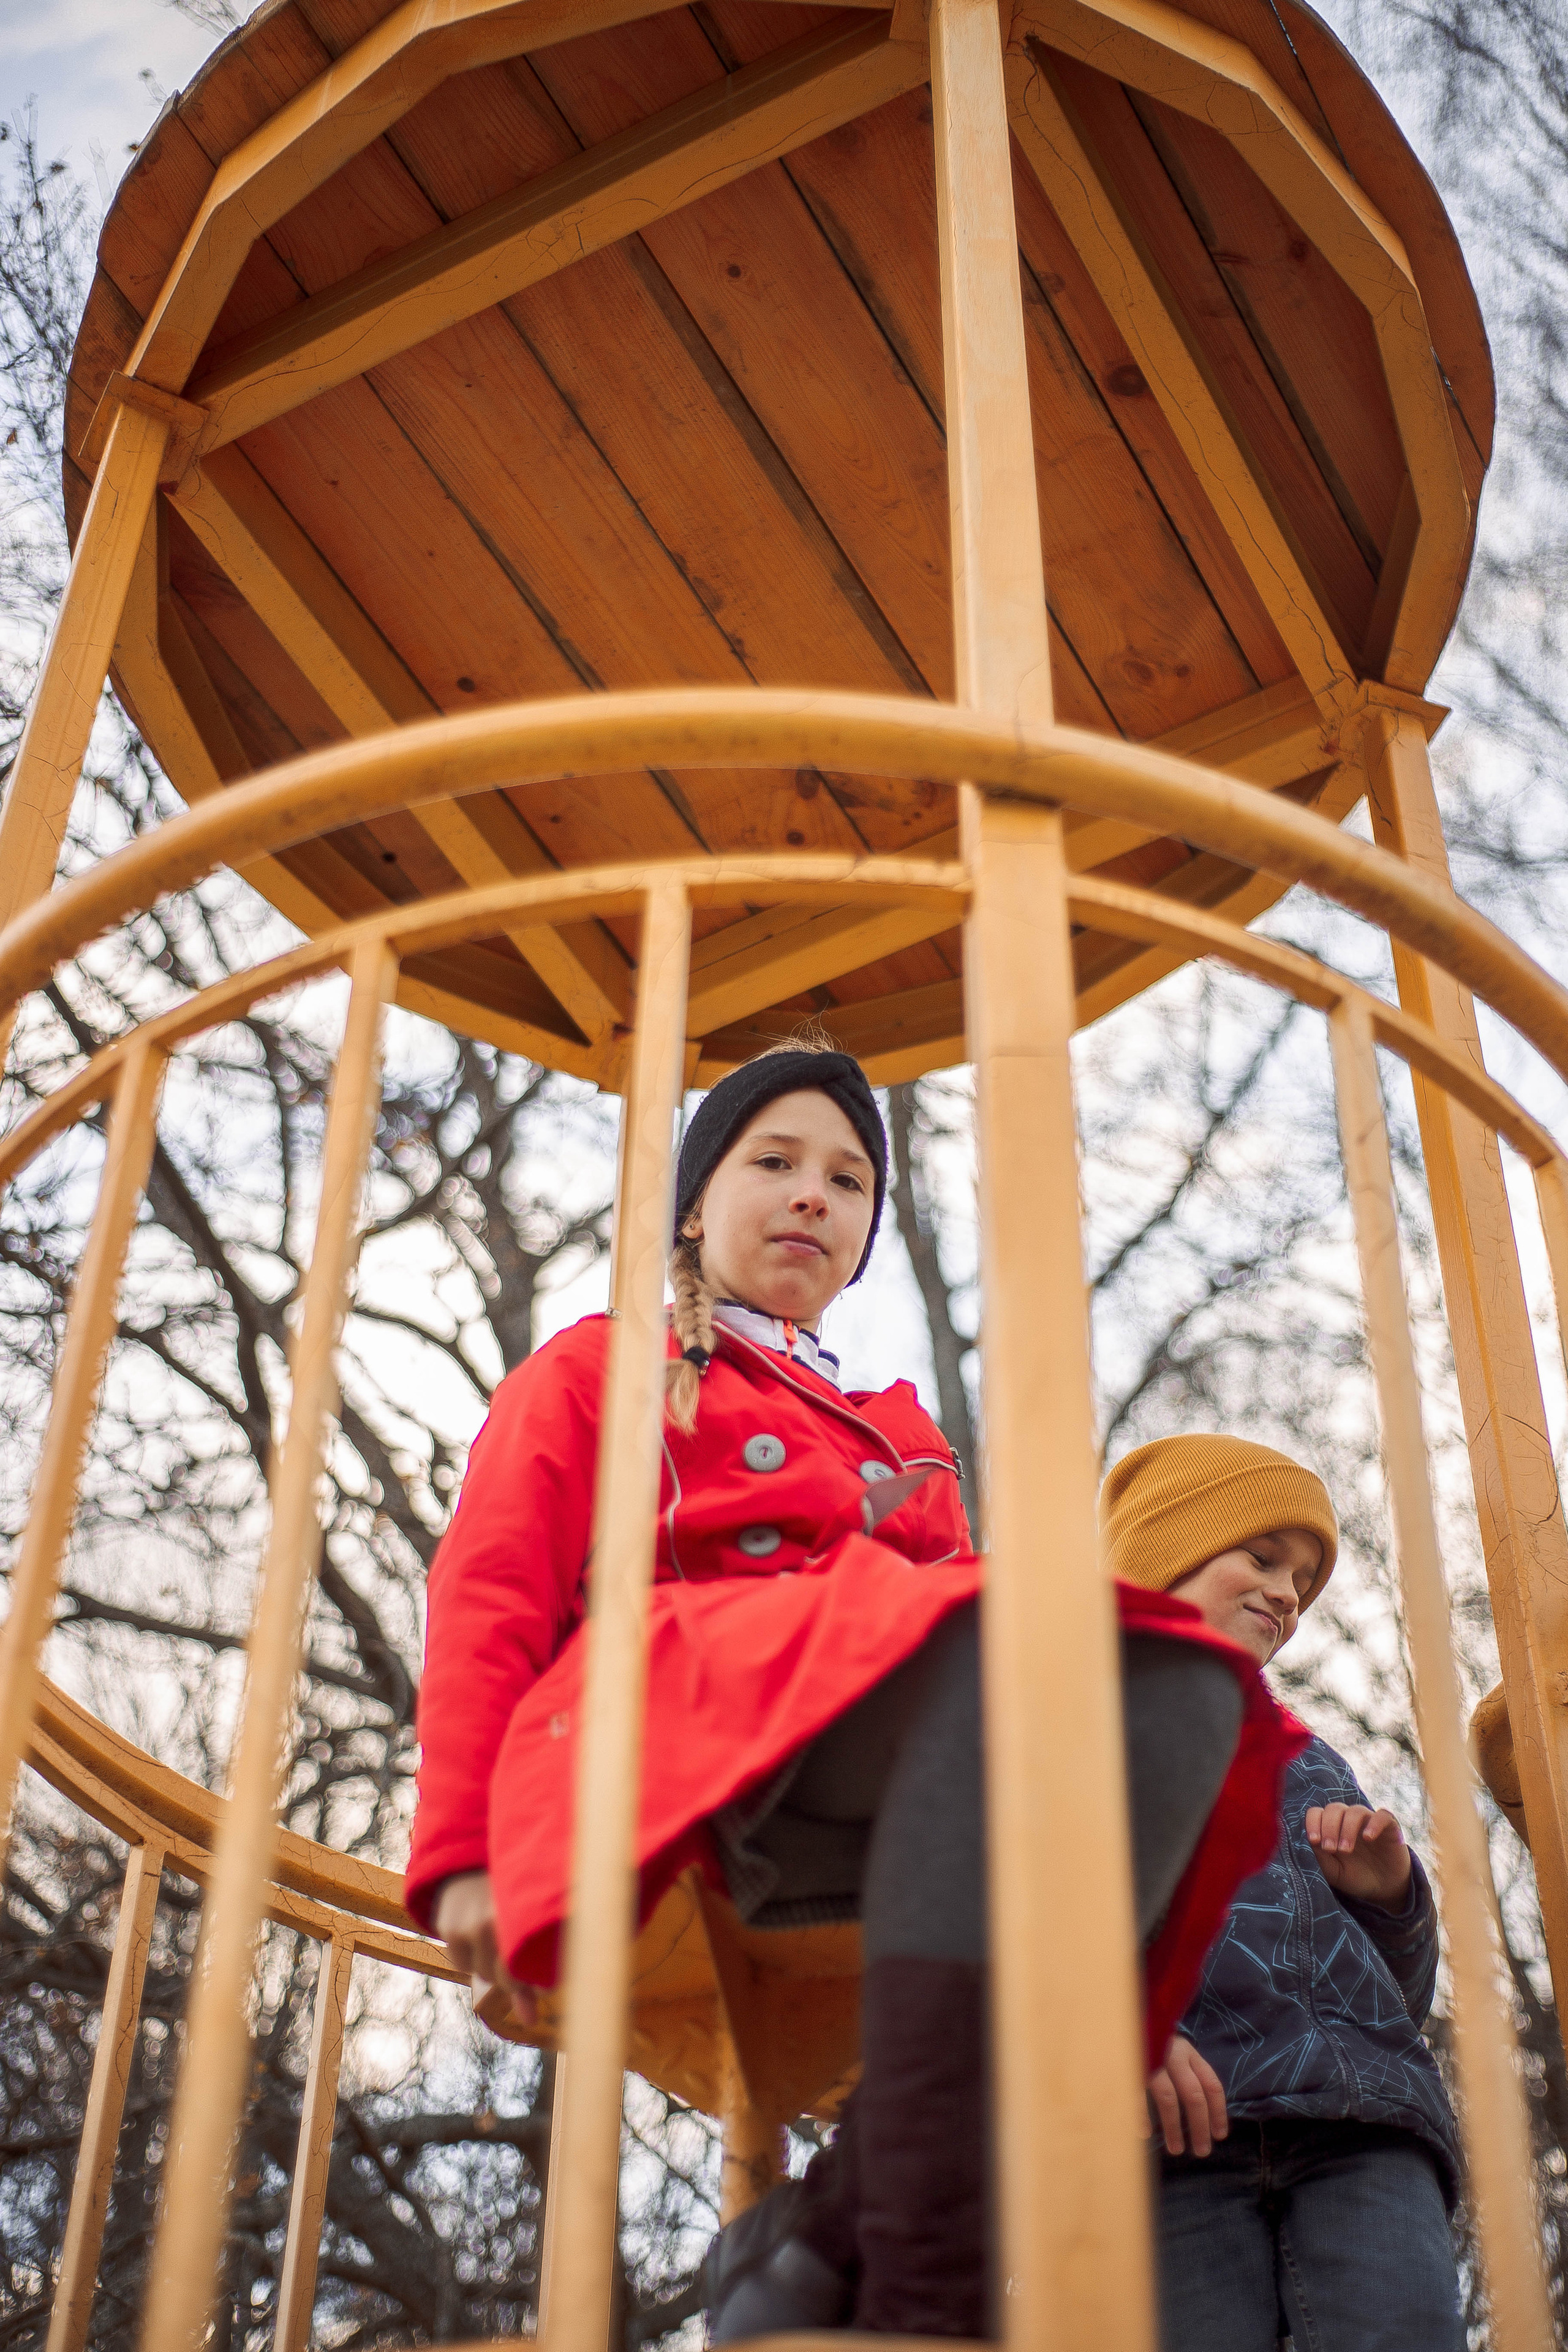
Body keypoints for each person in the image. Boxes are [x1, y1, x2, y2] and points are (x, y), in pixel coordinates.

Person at [406, 1041, 1299, 2338]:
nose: (812, 1195)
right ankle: (925, 2284)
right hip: (683, 1728)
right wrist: (463, 1855)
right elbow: (487, 1593)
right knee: (1006, 1647)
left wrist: (1112, 1976)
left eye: (845, 1180)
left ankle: (827, 2236)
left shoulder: (894, 1428)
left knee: (1182, 1687)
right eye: (771, 1163)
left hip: (870, 1749)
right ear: (698, 1205)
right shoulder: (608, 1366)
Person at [1102, 1434, 1463, 2352]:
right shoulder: (1065, 1722)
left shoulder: (1306, 1759)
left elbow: (1395, 2001)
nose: (1288, 1596)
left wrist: (1390, 1898)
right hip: (1166, 2135)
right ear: (1163, 1553)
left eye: (1302, 1580)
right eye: (1261, 1559)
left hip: (1359, 2124)